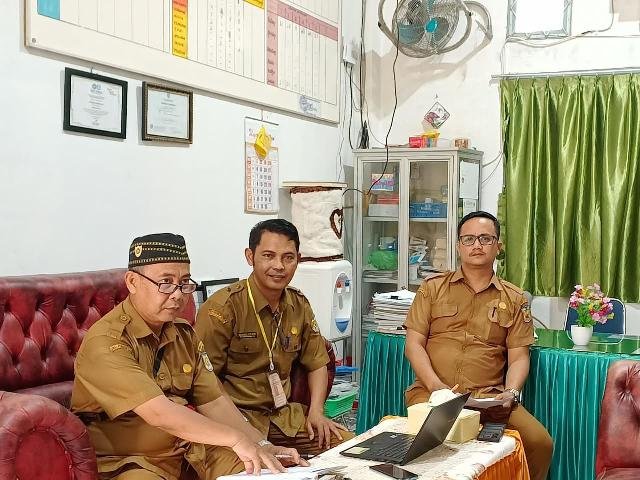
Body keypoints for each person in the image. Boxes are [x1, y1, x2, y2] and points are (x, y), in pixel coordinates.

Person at [71, 233, 307, 480]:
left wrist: (261, 444)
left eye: (184, 283)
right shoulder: (107, 341)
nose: (177, 294)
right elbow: (159, 413)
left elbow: (214, 401)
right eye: (165, 283)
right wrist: (235, 439)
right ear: (132, 282)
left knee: (266, 470)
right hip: (131, 461)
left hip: (189, 449)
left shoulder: (183, 334)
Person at [403, 211, 553, 480]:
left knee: (540, 443)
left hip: (489, 399)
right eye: (469, 239)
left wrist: (511, 392)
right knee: (434, 452)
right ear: (458, 246)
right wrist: (437, 387)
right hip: (434, 395)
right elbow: (413, 344)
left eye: (485, 238)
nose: (477, 245)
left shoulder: (514, 298)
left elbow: (519, 357)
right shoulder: (432, 288)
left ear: (498, 246)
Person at [196, 219, 353, 468]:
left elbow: (317, 362)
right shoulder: (222, 309)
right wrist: (250, 437)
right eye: (268, 256)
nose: (279, 266)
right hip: (236, 422)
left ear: (298, 259)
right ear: (250, 256)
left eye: (288, 258)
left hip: (283, 417)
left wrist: (316, 411)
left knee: (351, 448)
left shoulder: (298, 304)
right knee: (260, 471)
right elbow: (205, 382)